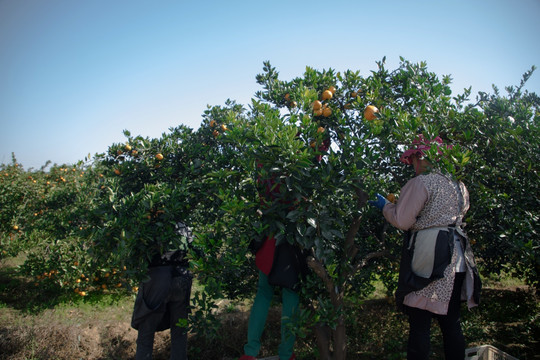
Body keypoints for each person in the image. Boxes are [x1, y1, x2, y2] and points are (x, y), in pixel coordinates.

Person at [369, 135, 481, 360]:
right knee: (451, 322)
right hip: (457, 257)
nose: (412, 166)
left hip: (431, 257)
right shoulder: (457, 184)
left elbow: (403, 220)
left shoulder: (422, 183)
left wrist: (386, 206)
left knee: (420, 322)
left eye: (413, 160)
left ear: (421, 158)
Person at [239, 162, 310, 360]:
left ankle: (250, 353)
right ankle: (286, 353)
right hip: (290, 239)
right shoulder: (296, 163)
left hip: (269, 239)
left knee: (263, 294)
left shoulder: (264, 162)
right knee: (291, 295)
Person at [131, 222, 195, 360]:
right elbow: (194, 246)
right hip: (182, 275)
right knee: (179, 330)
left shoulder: (151, 220)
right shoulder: (184, 222)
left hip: (157, 277)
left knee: (146, 332)